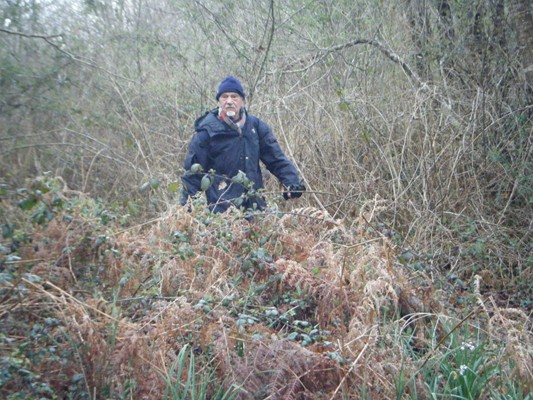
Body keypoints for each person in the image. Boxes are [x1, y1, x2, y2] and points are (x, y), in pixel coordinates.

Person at [181, 76, 305, 214]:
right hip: (222, 214)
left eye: (234, 96)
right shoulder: (206, 132)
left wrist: (291, 182)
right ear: (218, 101)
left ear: (242, 101)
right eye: (224, 97)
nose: (229, 101)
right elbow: (192, 175)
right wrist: (186, 211)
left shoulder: (256, 127)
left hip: (256, 209)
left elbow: (276, 159)